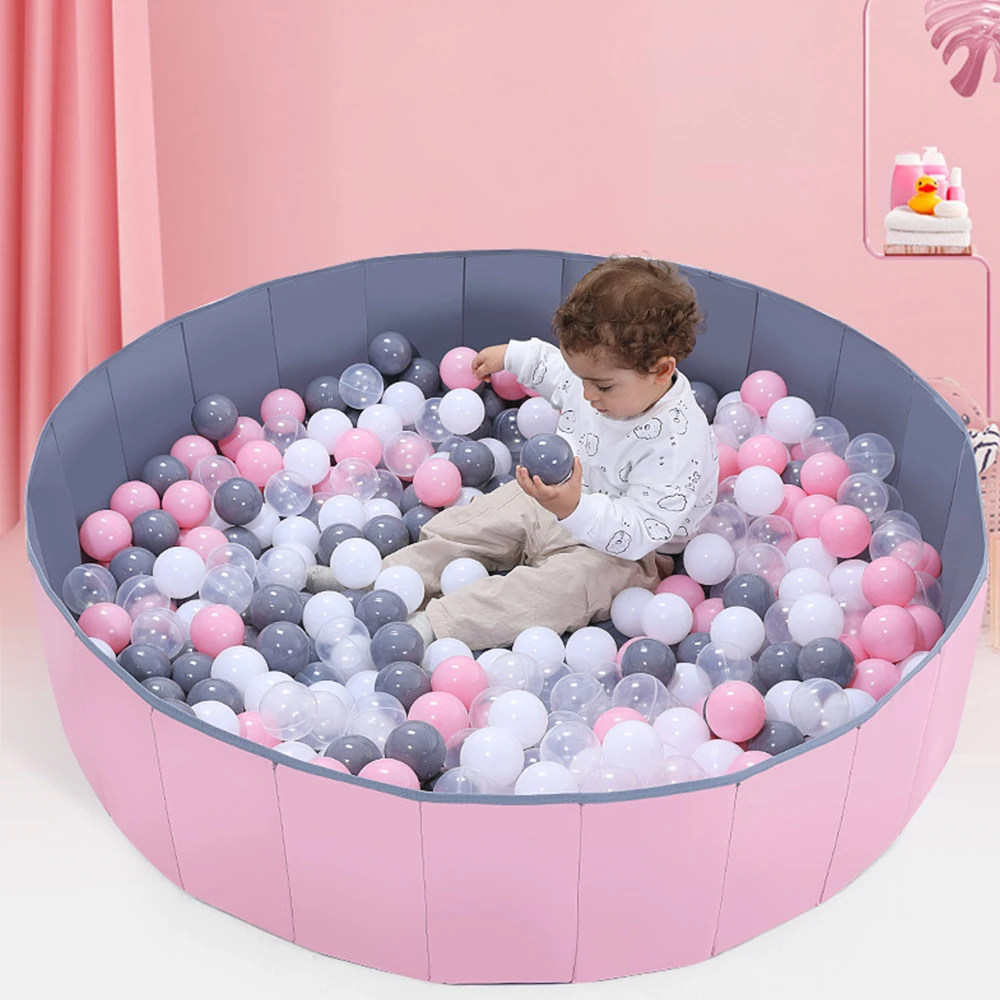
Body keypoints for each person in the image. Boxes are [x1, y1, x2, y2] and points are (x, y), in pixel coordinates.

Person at [384, 255, 719, 649]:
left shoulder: (676, 444)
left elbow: (641, 530)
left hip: (628, 551)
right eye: (581, 379)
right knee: (469, 524)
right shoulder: (596, 374)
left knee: (554, 593)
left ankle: (434, 625)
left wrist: (574, 508)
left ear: (661, 371)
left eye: (602, 386)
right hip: (556, 495)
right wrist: (513, 356)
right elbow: (556, 368)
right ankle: (387, 583)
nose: (587, 394)